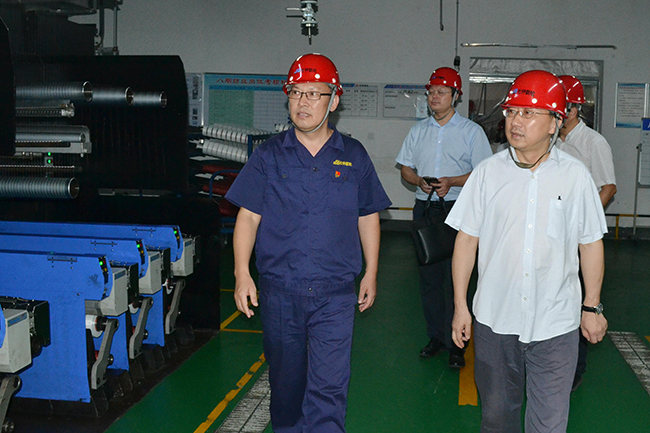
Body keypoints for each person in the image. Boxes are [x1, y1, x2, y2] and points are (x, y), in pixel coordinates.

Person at [225, 53, 391, 433]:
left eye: (314, 93)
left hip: (335, 294)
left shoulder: (353, 155)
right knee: (286, 389)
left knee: (329, 389)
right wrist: (241, 273)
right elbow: (248, 217)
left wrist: (371, 272)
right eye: (296, 92)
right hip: (281, 291)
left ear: (334, 100)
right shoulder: (268, 155)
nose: (303, 102)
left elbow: (367, 215)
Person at [447, 70, 608, 432]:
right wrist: (460, 306)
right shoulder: (487, 174)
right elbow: (466, 241)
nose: (516, 121)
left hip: (555, 324)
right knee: (497, 420)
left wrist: (592, 306)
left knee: (549, 424)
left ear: (554, 123)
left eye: (528, 113)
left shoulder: (576, 177)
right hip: (495, 320)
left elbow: (590, 243)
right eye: (512, 112)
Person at [395, 67, 492, 368]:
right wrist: (418, 181)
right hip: (425, 209)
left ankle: (457, 344)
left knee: (456, 279)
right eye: (431, 92)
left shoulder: (471, 132)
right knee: (429, 279)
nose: (434, 97)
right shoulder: (418, 131)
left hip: (458, 211)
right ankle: (436, 336)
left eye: (441, 92)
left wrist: (453, 181)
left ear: (456, 96)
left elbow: (483, 173)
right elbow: (406, 168)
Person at [557, 74, 617, 391]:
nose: (561, 112)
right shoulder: (549, 140)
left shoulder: (594, 143)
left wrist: (584, 219)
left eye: (567, 106)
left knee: (579, 300)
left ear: (577, 107)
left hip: (578, 235)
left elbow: (608, 187)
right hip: (553, 235)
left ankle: (575, 369)